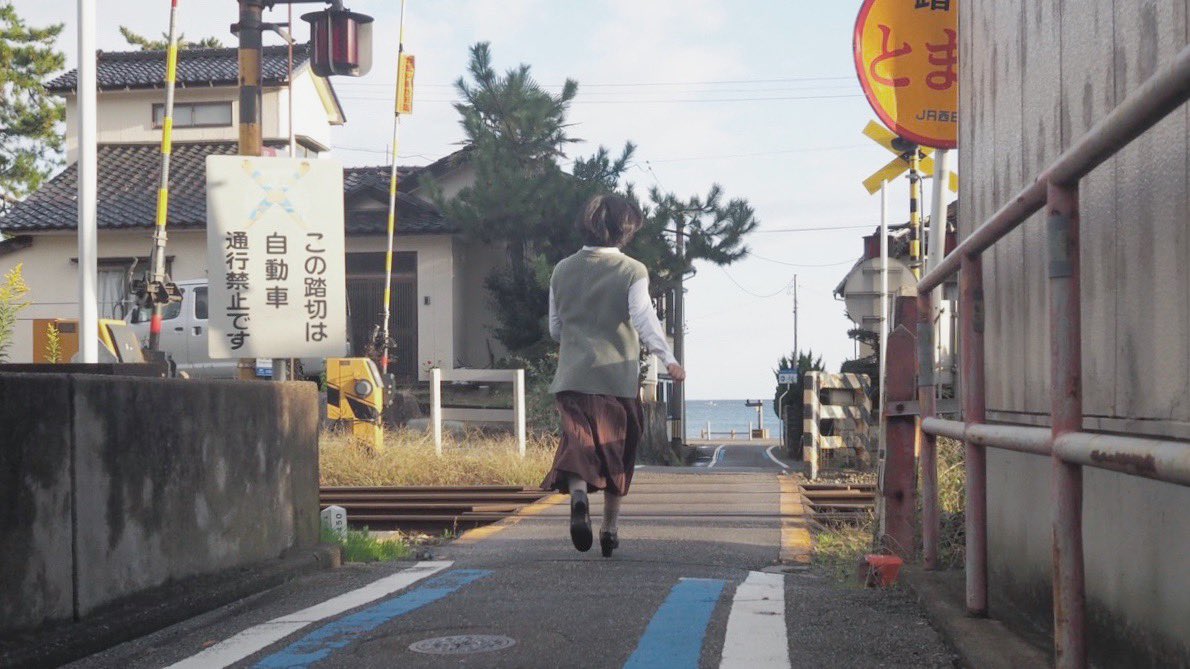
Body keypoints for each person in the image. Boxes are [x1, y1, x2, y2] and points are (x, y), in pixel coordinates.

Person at [540, 193, 686, 557]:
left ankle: (577, 497)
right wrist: (668, 358)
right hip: (615, 380)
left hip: (572, 379)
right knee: (616, 453)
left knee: (578, 445)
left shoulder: (561, 269)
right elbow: (643, 320)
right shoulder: (632, 271)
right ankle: (609, 529)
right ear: (626, 229)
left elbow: (556, 329)